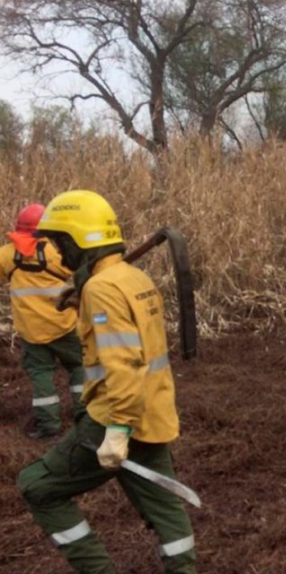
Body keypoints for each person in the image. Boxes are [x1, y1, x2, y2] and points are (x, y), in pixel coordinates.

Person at [16, 190, 197, 573]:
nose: (59, 254)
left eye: (61, 243)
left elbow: (123, 363)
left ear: (77, 241)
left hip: (113, 418)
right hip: (153, 413)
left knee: (37, 487)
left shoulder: (102, 289)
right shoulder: (131, 278)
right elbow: (132, 340)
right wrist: (84, 297)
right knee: (166, 511)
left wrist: (116, 429)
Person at [0, 203, 85, 439]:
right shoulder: (58, 252)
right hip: (65, 325)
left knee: (40, 374)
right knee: (78, 367)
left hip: (31, 331)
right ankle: (84, 416)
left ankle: (48, 424)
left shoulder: (7, 254)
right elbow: (82, 275)